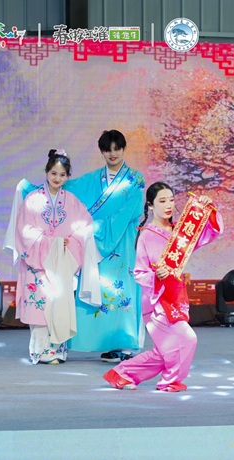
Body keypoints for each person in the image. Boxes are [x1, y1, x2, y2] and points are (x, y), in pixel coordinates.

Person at [103, 182, 222, 391]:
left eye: (171, 200)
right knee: (187, 339)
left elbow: (209, 233)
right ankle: (170, 381)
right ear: (150, 205)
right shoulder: (146, 235)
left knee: (163, 352)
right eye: (162, 201)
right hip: (156, 301)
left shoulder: (181, 231)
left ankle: (122, 374)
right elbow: (139, 272)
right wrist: (156, 276)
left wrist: (209, 209)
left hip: (176, 295)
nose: (168, 205)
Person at [11, 150, 100, 364]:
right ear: (46, 172)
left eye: (62, 175)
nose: (57, 178)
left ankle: (58, 351)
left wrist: (69, 242)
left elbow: (84, 226)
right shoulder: (32, 199)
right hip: (37, 264)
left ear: (67, 176)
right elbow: (24, 231)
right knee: (40, 305)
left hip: (61, 261)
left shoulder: (72, 201)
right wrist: (51, 243)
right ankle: (41, 351)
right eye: (53, 173)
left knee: (58, 302)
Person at [64, 130, 146, 362]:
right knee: (102, 288)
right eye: (107, 149)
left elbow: (132, 211)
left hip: (124, 242)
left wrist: (98, 227)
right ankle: (101, 342)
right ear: (102, 151)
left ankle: (124, 345)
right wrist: (34, 189)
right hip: (96, 247)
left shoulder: (135, 179)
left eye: (117, 149)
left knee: (122, 290)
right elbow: (66, 187)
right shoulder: (92, 180)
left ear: (123, 149)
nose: (113, 154)